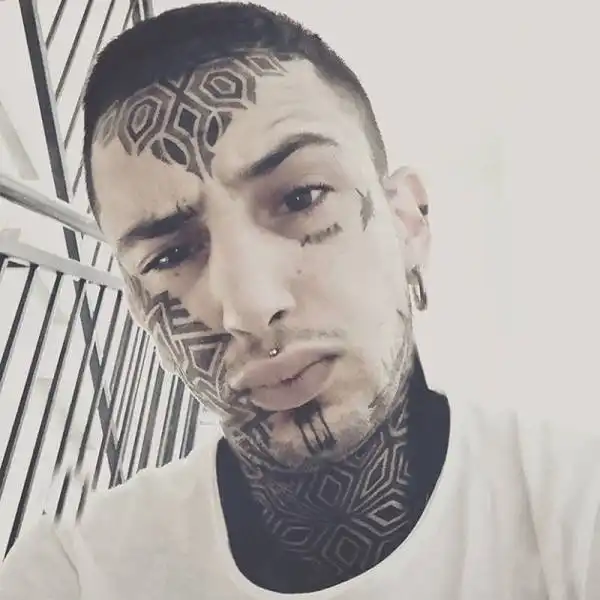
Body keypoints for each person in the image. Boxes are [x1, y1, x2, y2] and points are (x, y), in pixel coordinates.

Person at [1, 3, 600, 598]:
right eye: (171, 255)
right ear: (139, 309)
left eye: (301, 198)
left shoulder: (574, 512)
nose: (250, 307)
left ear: (407, 223)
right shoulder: (78, 577)